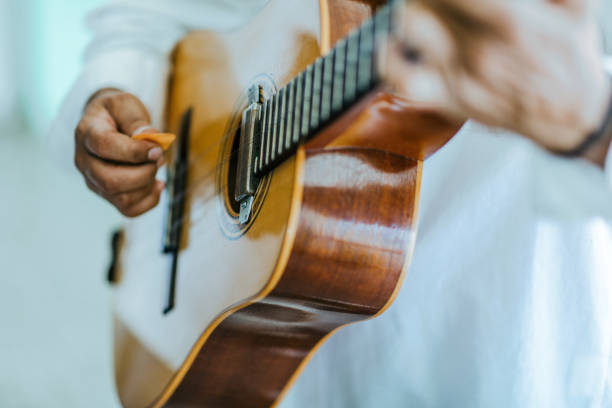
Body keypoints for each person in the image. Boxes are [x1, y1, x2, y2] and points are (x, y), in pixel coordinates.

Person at [49, 0, 612, 406]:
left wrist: (593, 127)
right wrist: (116, 86)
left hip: (509, 332)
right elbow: (144, 17)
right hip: (252, 318)